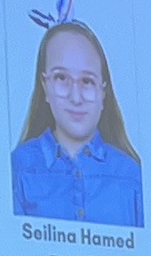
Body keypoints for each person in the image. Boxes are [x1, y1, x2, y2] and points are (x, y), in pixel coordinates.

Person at [10, 20, 144, 226]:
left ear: (103, 92)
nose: (76, 97)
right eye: (61, 78)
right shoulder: (17, 166)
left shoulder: (131, 174)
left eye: (87, 81)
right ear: (45, 87)